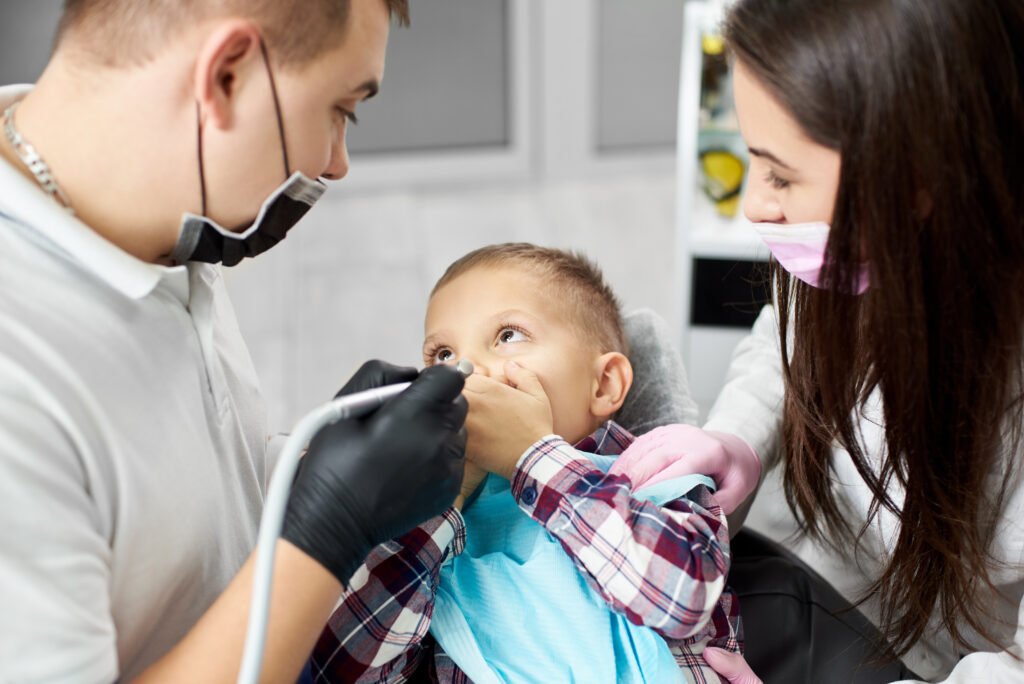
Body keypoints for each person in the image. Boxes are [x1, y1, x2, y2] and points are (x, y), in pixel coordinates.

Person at [0, 1, 471, 682]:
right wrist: (323, 531)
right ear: (225, 77)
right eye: (342, 109)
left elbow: (181, 509)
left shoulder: (160, 217)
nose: (336, 163)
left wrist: (307, 466)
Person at [684, 0, 1024, 681]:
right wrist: (739, 439)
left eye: (780, 174)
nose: (756, 204)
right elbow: (785, 339)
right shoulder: (859, 258)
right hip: (817, 586)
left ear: (917, 180)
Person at [308, 242, 746, 683]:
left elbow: (682, 598)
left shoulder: (654, 471)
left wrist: (533, 456)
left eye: (507, 335)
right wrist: (440, 503)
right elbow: (345, 672)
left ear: (604, 385)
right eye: (442, 355)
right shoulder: (435, 536)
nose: (466, 369)